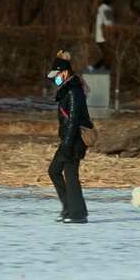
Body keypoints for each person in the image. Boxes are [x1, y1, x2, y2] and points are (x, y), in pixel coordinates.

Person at [47, 50, 93, 224]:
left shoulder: (73, 91)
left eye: (56, 76)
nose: (54, 79)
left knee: (70, 173)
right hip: (68, 139)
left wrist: (66, 145)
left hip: (74, 140)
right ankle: (69, 208)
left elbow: (73, 120)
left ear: (64, 72)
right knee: (54, 171)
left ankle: (77, 213)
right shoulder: (66, 89)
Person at [88, 0, 114, 72]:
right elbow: (108, 24)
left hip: (99, 37)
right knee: (108, 55)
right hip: (104, 37)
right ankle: (96, 67)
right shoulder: (106, 9)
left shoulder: (100, 9)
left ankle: (99, 68)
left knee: (107, 55)